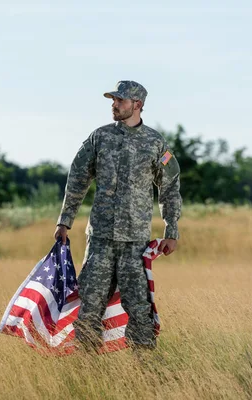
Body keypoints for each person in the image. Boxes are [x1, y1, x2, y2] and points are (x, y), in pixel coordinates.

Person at [53, 80, 182, 350]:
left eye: (120, 101)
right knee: (89, 307)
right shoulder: (99, 138)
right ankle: (86, 369)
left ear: (137, 105)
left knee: (140, 309)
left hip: (135, 243)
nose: (114, 105)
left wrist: (171, 231)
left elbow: (169, 188)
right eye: (113, 100)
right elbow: (77, 180)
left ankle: (143, 369)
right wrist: (65, 221)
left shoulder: (155, 143)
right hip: (100, 239)